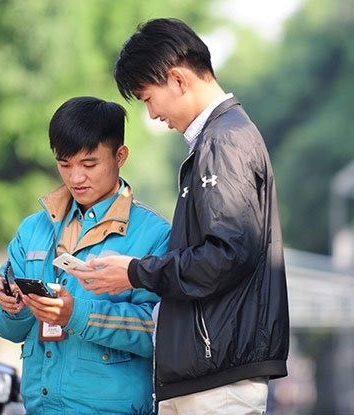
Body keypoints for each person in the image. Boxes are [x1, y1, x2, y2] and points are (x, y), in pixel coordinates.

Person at [70, 18, 289, 414]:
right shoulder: (218, 140)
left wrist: (136, 272)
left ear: (177, 79)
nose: (153, 114)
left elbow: (226, 255)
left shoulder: (224, 141)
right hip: (207, 374)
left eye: (148, 98)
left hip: (219, 380)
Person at [0, 96, 171, 414]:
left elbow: (159, 332)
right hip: (40, 407)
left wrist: (77, 315)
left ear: (120, 156)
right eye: (65, 164)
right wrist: (10, 307)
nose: (75, 178)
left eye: (89, 164)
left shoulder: (154, 235)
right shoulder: (33, 229)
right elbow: (4, 325)